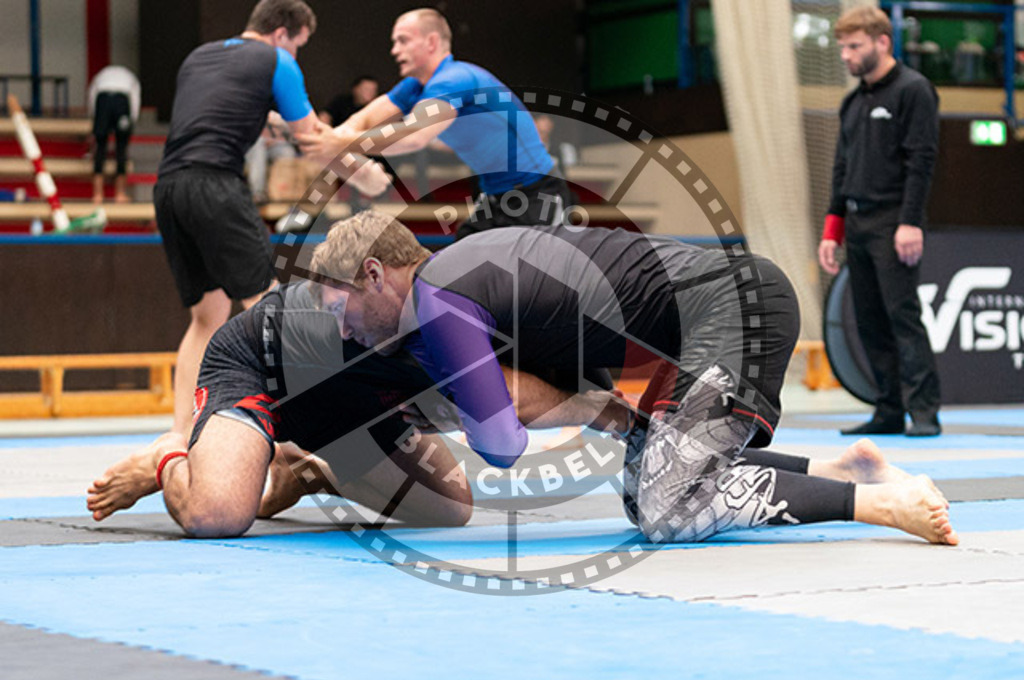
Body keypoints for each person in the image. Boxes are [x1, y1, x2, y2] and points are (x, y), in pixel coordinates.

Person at [308, 211, 958, 546]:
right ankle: (844, 470)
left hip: (735, 305)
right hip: (692, 327)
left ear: (374, 273)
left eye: (341, 310)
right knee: (647, 480)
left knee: (665, 505)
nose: (344, 331)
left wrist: (466, 395)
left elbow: (501, 444)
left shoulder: (438, 299)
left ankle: (877, 506)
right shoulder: (460, 275)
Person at [86, 281, 628, 536]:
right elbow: (513, 396)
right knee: (219, 516)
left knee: (450, 509)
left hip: (354, 401)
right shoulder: (455, 314)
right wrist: (599, 412)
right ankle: (170, 455)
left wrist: (597, 407)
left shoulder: (526, 324)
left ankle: (306, 470)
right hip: (264, 365)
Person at [155, 0, 389, 437]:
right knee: (272, 307)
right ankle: (300, 432)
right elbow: (309, 140)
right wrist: (366, 172)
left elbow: (252, 116)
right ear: (283, 33)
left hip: (169, 187)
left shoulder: (200, 57)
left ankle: (181, 434)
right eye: (299, 45)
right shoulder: (276, 60)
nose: (296, 55)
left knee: (207, 317)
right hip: (215, 186)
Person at [297, 8, 572, 239]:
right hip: (494, 197)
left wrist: (336, 143)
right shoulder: (415, 87)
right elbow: (363, 120)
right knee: (451, 280)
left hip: (539, 194)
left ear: (430, 42)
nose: (394, 51)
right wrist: (330, 144)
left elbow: (414, 135)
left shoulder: (455, 79)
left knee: (536, 293)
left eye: (402, 41)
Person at [818, 6, 942, 438]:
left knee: (902, 315)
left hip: (894, 220)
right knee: (868, 320)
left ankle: (924, 412)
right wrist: (832, 229)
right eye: (842, 48)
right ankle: (888, 409)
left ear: (882, 42)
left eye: (854, 46)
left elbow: (921, 161)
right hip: (856, 221)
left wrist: (910, 222)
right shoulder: (853, 102)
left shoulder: (914, 90)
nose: (846, 56)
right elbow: (841, 168)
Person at [88, 65, 140, 204]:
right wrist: (132, 120)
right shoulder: (130, 78)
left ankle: (97, 194)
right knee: (121, 147)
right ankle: (120, 193)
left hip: (103, 99)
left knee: (100, 146)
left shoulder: (101, 75)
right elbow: (135, 100)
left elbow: (92, 95)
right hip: (121, 100)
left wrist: (95, 117)